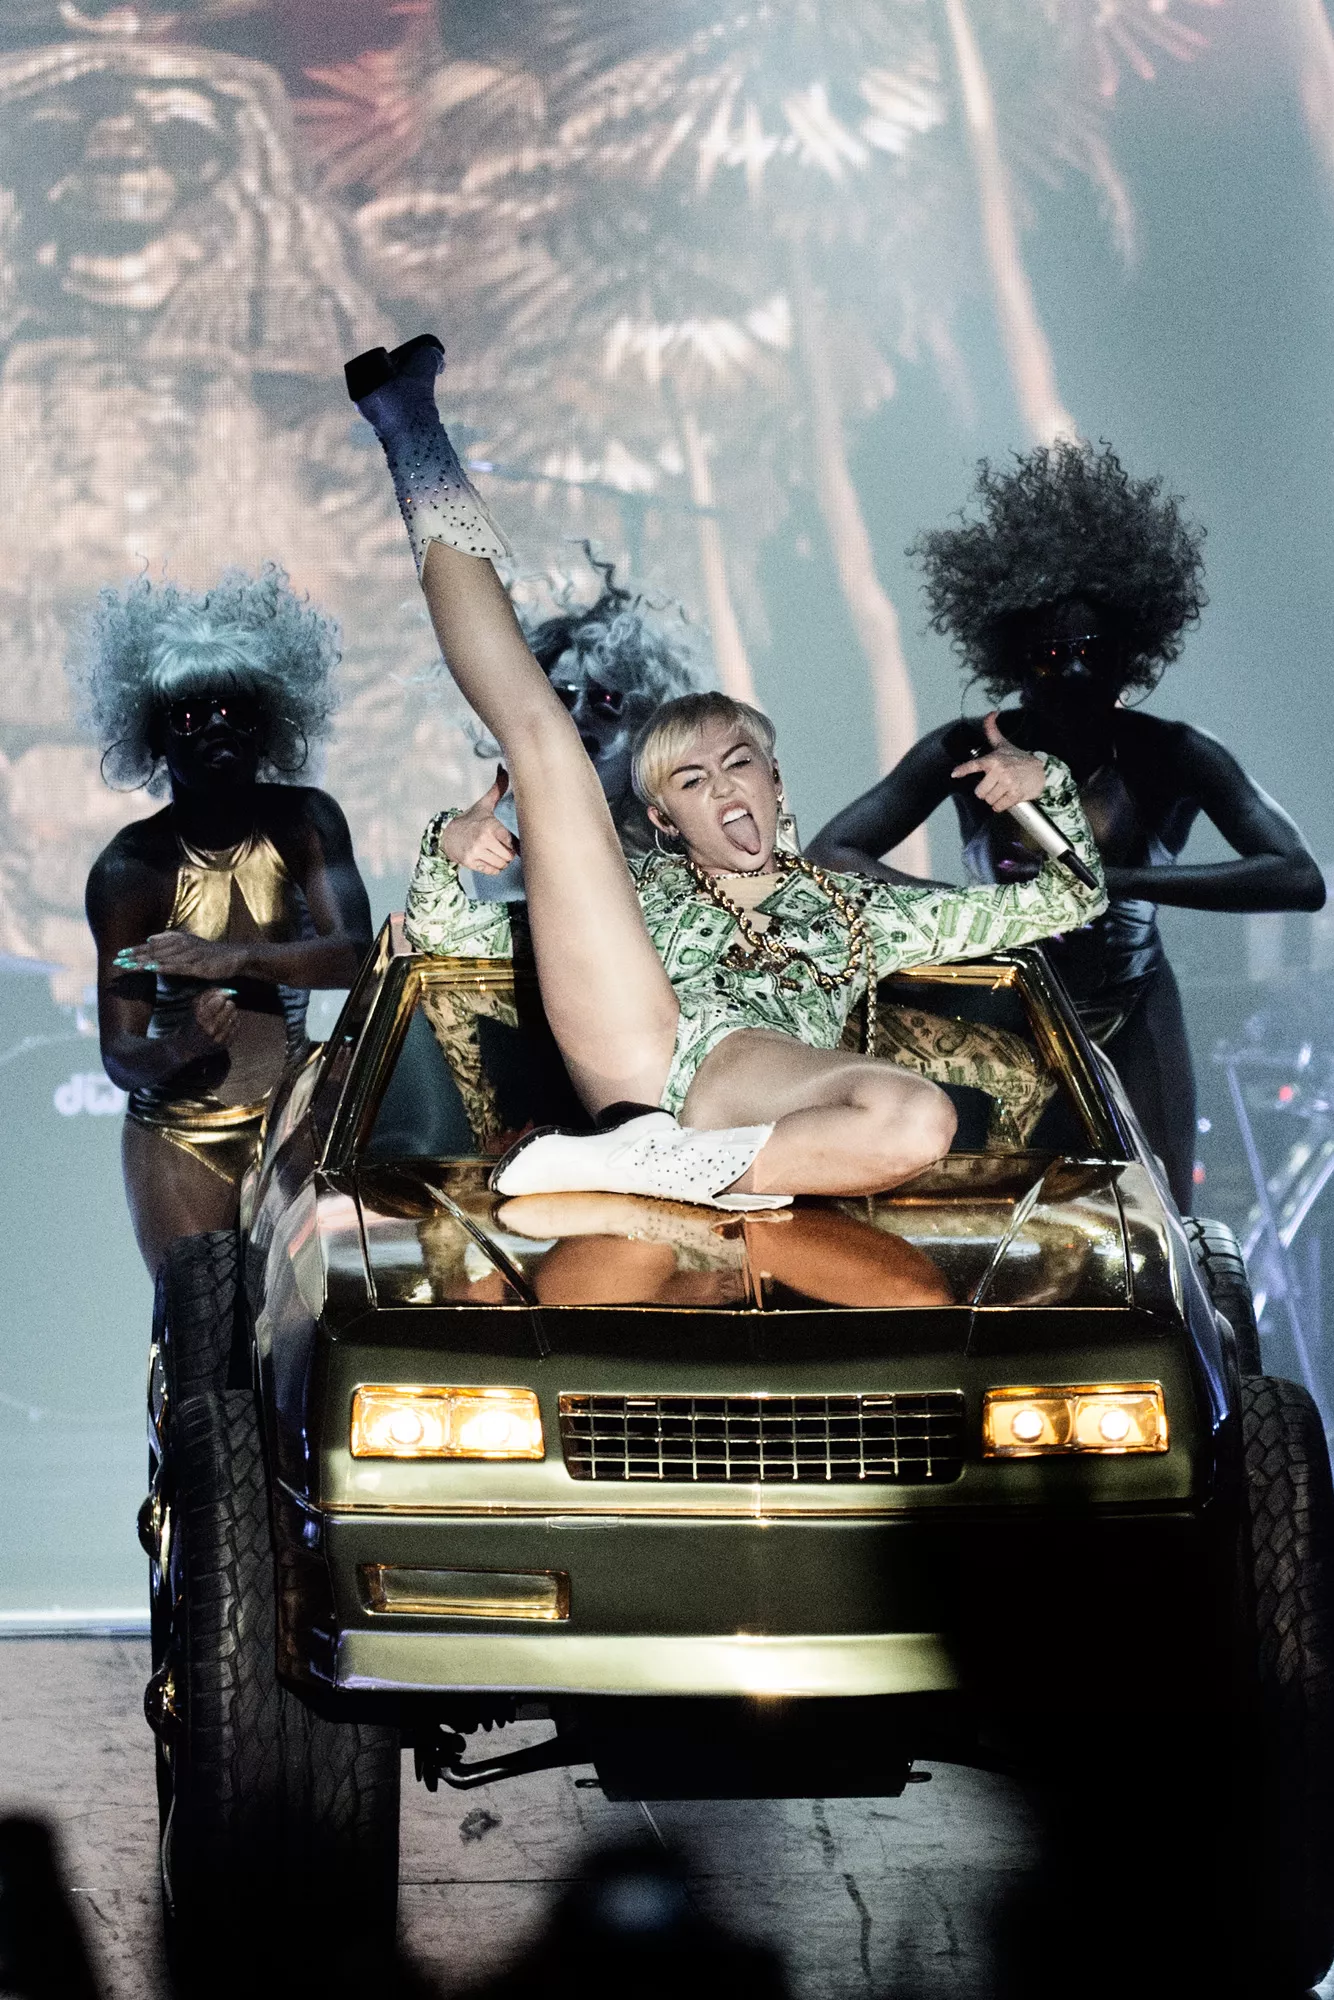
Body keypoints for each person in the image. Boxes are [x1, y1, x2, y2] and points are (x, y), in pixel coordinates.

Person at [348, 334, 1106, 1209]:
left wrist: (1044, 784)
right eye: (690, 780)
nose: (723, 786)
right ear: (665, 819)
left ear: (776, 782)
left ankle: (651, 1164)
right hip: (635, 1055)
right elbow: (454, 940)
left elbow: (1074, 899)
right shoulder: (635, 891)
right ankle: (411, 429)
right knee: (545, 740)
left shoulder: (865, 911)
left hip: (747, 1101)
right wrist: (448, 848)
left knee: (913, 1118)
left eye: (738, 762)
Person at [809, 441, 1326, 1211]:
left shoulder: (1173, 753)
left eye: (1096, 651)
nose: (1077, 669)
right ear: (1016, 661)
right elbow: (831, 851)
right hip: (1008, 1008)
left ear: (1131, 653)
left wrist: (1115, 882)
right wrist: (975, 912)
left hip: (1136, 1008)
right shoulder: (966, 750)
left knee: (1160, 1218)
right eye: (1053, 654)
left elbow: (1300, 877)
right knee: (1007, 1220)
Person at [75, 565, 373, 1274]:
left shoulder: (307, 822)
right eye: (189, 715)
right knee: (205, 1331)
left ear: (267, 724)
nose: (216, 726)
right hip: (180, 1138)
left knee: (313, 1319)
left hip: (293, 1118)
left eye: (236, 710)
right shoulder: (131, 871)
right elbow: (121, 1056)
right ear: (153, 736)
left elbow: (356, 958)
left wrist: (230, 958)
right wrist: (183, 1046)